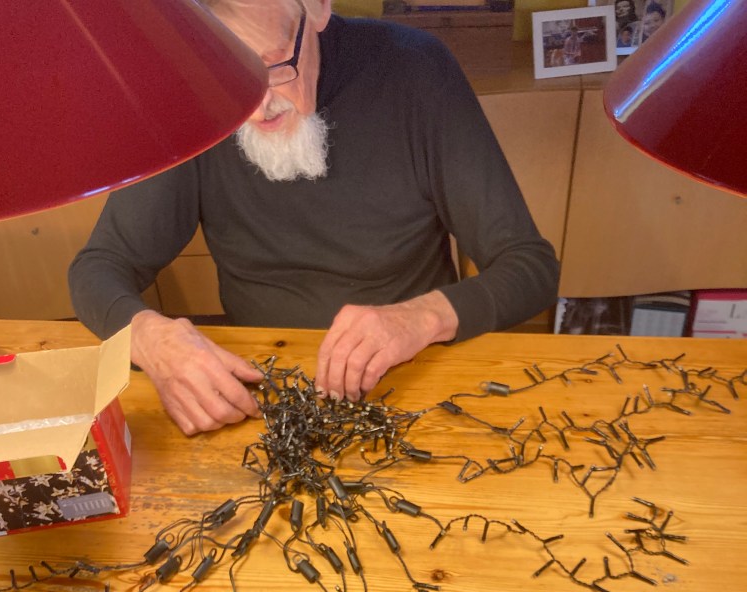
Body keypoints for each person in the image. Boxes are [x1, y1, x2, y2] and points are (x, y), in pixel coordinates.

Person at [69, 0, 559, 436]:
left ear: (319, 8)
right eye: (227, 73)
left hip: (415, 372)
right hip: (264, 385)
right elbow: (99, 267)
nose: (256, 108)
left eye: (273, 65)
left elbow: (529, 266)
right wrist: (149, 338)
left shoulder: (415, 70)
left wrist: (423, 318)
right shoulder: (190, 96)